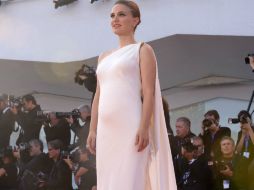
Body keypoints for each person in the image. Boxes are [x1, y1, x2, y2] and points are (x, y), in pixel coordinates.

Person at [86, 1, 176, 190]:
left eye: (121, 14)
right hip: (106, 132)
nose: (115, 19)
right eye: (112, 16)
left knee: (130, 181)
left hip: (131, 128)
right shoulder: (103, 56)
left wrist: (144, 127)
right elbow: (98, 97)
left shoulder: (143, 49)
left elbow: (150, 92)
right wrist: (92, 129)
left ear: (136, 20)